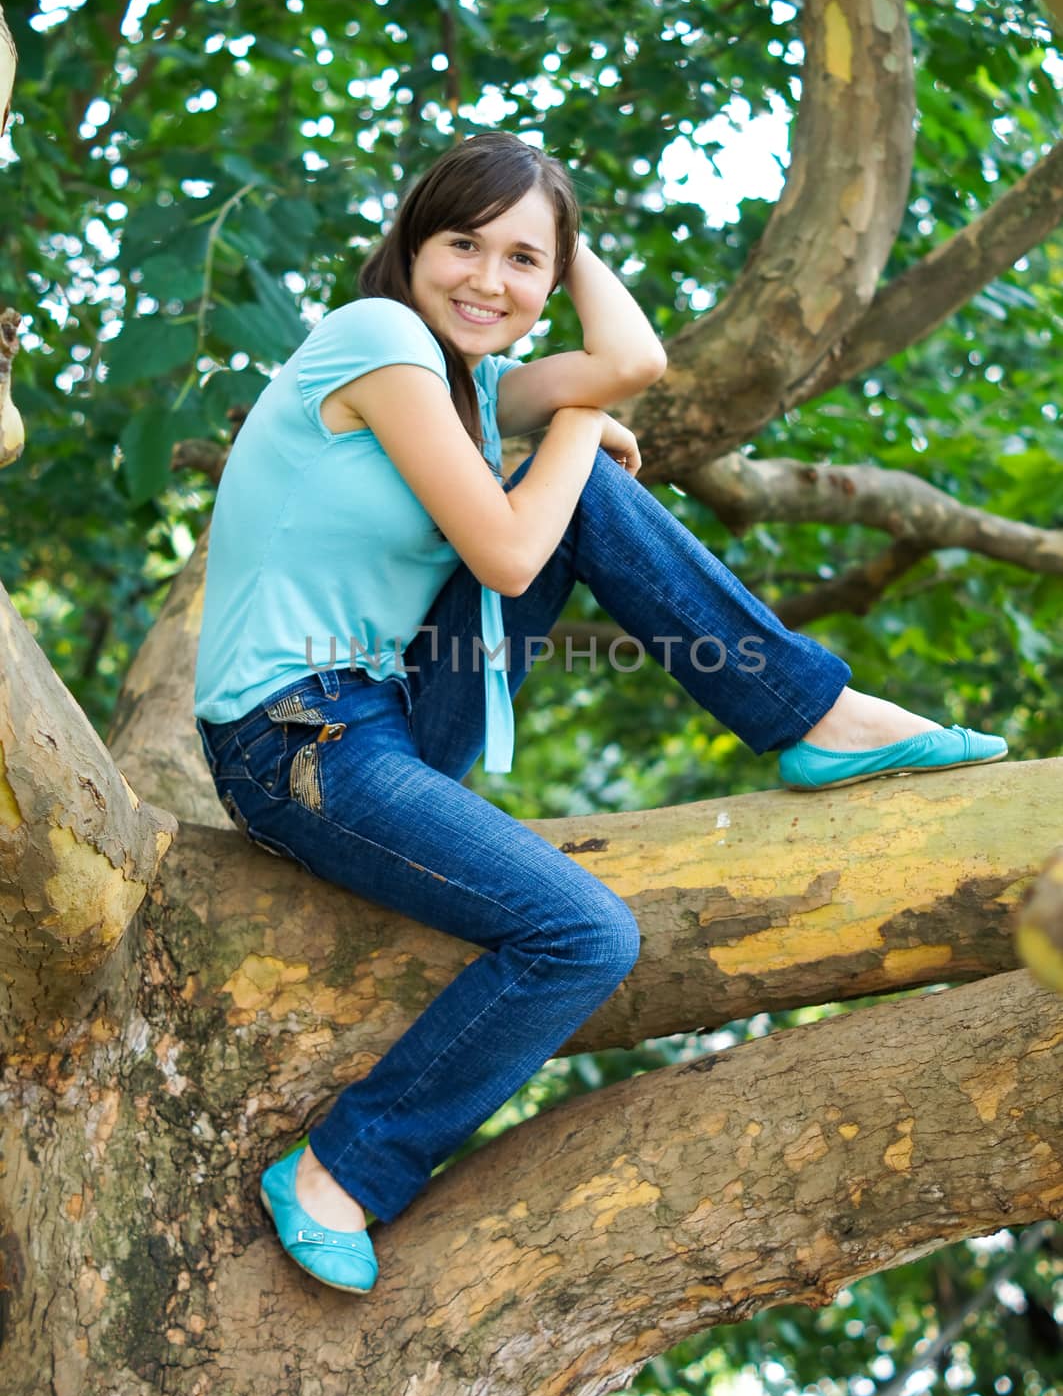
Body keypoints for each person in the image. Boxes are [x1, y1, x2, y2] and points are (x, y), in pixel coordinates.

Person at [193, 130, 1006, 1294]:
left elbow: (631, 359)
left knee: (582, 491)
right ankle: (339, 1170)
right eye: (461, 244)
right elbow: (509, 556)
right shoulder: (375, 342)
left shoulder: (466, 385)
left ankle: (808, 717)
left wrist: (563, 269)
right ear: (410, 245)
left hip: (382, 712)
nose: (488, 278)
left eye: (524, 260)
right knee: (585, 934)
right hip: (291, 738)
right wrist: (572, 431)